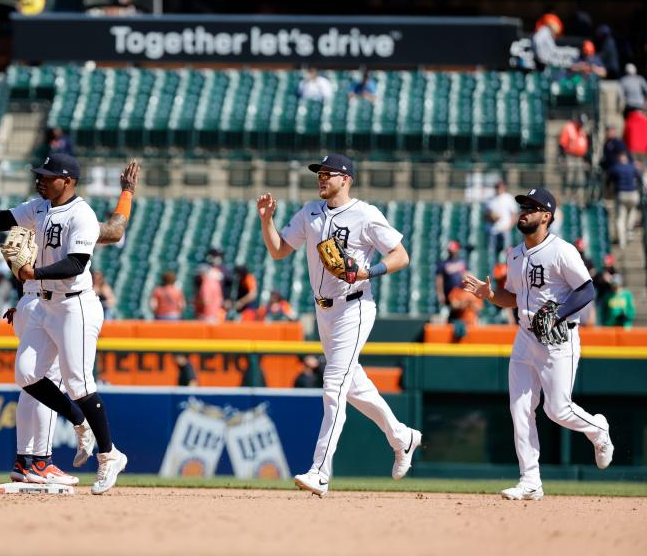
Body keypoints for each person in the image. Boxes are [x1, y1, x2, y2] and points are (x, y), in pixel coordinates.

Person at [0, 158, 138, 494]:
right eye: (38, 176)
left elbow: (76, 264)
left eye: (46, 176)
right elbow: (1, 220)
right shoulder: (39, 207)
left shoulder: (82, 215)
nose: (40, 181)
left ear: (68, 180)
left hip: (76, 305)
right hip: (44, 303)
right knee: (26, 373)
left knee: (79, 381)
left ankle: (109, 455)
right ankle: (78, 421)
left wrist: (34, 273)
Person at [257, 153, 422, 498]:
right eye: (319, 173)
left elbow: (401, 256)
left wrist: (367, 271)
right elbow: (278, 251)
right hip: (324, 312)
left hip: (355, 306)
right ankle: (402, 437)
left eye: (327, 174)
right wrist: (266, 220)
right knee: (354, 385)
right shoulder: (310, 212)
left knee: (333, 384)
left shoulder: (365, 214)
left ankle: (320, 471)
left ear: (345, 179)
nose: (321, 178)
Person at [462, 187, 614, 501]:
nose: (524, 212)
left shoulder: (562, 250)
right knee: (519, 409)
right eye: (522, 207)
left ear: (546, 216)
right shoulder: (514, 253)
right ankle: (531, 481)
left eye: (531, 207)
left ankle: (598, 429)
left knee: (558, 410)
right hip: (525, 337)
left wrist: (559, 313)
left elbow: (586, 291)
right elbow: (512, 298)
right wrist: (489, 295)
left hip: (558, 339)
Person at [608, 152, 641, 249]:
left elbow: (609, 180)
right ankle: (630, 230)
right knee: (633, 212)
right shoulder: (632, 167)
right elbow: (639, 179)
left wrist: (609, 190)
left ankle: (622, 242)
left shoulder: (616, 168)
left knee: (620, 218)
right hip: (633, 194)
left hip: (621, 194)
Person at [484, 180, 519, 258]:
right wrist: (491, 217)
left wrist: (508, 227)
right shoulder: (490, 199)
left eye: (500, 187)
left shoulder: (508, 198)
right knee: (491, 252)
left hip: (504, 230)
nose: (498, 189)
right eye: (497, 187)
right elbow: (485, 216)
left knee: (506, 252)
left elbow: (515, 215)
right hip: (492, 230)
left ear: (504, 187)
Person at [558, 113, 590, 198]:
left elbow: (584, 147)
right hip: (570, 157)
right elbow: (562, 144)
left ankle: (578, 201)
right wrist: (563, 159)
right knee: (570, 179)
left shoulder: (582, 130)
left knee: (580, 180)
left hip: (580, 158)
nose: (582, 124)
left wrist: (585, 160)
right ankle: (567, 199)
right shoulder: (569, 127)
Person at [435, 240, 467, 310]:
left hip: (461, 293)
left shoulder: (462, 262)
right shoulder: (443, 263)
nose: (452, 252)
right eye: (450, 250)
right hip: (448, 294)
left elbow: (467, 276)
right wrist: (440, 294)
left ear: (457, 250)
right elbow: (439, 280)